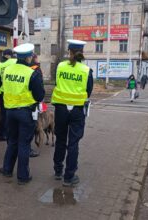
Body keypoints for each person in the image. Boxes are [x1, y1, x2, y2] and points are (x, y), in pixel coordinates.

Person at [0, 43, 45, 185]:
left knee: (12, 141)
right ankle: (23, 176)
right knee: (24, 144)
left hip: (9, 112)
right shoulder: (32, 73)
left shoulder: (7, 70)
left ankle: (7, 169)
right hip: (25, 113)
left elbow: (2, 86)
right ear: (28, 58)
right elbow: (39, 96)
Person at [51, 39, 94, 187]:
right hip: (77, 110)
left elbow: (57, 83)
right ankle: (69, 177)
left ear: (69, 52)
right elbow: (88, 91)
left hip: (61, 109)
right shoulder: (86, 70)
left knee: (61, 140)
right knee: (73, 143)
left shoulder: (60, 66)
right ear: (82, 53)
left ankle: (58, 171)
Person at [0, 49, 17, 142]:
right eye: (11, 55)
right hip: (8, 91)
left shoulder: (0, 64)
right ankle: (6, 134)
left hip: (0, 91)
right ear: (8, 55)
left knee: (3, 114)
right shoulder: (12, 62)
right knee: (9, 114)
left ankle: (0, 134)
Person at [29, 53, 43, 158]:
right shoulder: (37, 70)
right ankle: (28, 148)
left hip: (14, 104)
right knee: (31, 125)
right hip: (32, 102)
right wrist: (39, 100)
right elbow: (39, 86)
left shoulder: (23, 67)